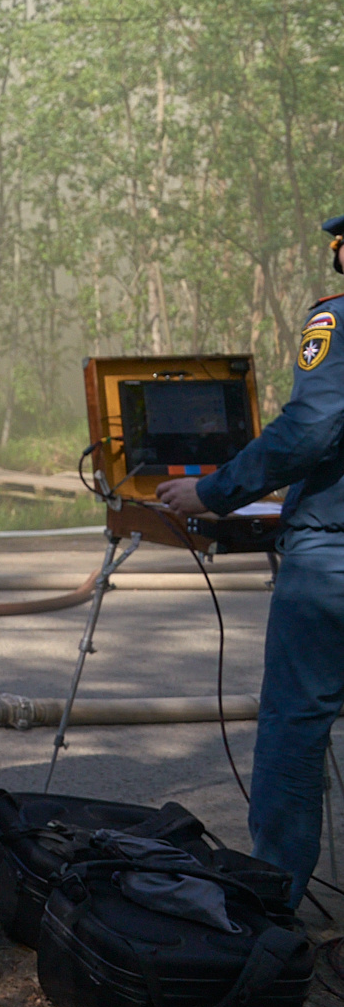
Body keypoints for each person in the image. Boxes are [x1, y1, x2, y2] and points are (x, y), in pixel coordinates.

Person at [160, 211, 344, 908]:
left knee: (296, 729)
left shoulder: (337, 320)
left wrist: (212, 491)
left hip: (333, 555)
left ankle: (273, 906)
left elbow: (309, 428)